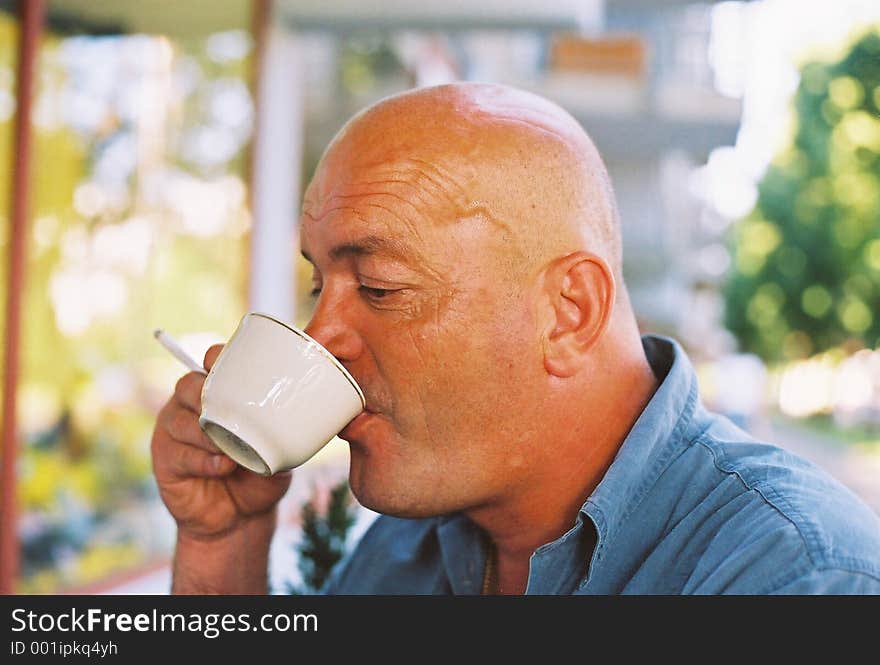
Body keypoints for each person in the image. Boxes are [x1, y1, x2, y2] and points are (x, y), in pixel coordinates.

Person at [151, 82, 880, 595]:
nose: (322, 335)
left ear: (568, 311)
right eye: (319, 285)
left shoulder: (795, 576)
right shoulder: (412, 541)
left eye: (378, 288)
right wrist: (224, 549)